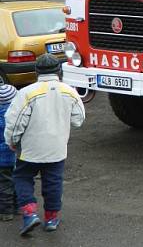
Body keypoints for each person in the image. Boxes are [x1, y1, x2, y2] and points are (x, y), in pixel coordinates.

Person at [4, 54, 85, 235]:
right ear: (58, 71)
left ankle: (30, 213)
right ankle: (51, 218)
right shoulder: (69, 91)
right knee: (53, 182)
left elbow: (15, 122)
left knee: (22, 177)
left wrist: (12, 141)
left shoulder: (27, 92)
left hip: (31, 149)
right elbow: (79, 119)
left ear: (36, 71)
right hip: (57, 148)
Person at [0, 84, 17, 222]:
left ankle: (6, 212)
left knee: (4, 184)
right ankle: (18, 207)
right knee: (17, 181)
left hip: (2, 159)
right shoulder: (15, 115)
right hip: (16, 156)